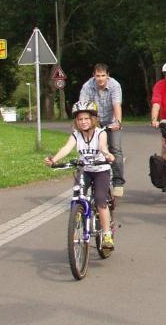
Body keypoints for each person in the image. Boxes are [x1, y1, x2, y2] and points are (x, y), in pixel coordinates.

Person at [45, 101, 117, 250]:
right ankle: (80, 220)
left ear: (93, 119)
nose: (83, 122)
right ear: (76, 121)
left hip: (100, 170)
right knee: (78, 196)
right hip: (84, 170)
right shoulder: (76, 135)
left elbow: (103, 147)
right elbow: (66, 148)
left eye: (86, 118)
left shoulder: (100, 133)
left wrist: (107, 155)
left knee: (100, 200)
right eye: (79, 119)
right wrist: (54, 160)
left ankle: (107, 233)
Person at [78, 63, 125, 195]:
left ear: (108, 76)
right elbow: (83, 107)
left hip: (111, 121)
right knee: (93, 149)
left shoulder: (115, 85)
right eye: (98, 76)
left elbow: (117, 105)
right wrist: (85, 124)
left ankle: (118, 182)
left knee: (116, 149)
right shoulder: (87, 86)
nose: (100, 79)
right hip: (94, 121)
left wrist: (118, 122)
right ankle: (90, 179)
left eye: (103, 75)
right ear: (93, 76)